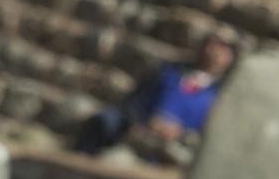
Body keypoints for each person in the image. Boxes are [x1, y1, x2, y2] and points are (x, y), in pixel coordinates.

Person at [72, 34, 237, 161]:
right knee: (105, 124)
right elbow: (135, 100)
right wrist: (142, 121)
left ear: (229, 59)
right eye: (213, 44)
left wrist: (180, 133)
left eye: (223, 49)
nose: (214, 52)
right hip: (138, 133)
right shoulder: (168, 71)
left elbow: (209, 136)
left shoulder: (219, 97)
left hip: (174, 150)